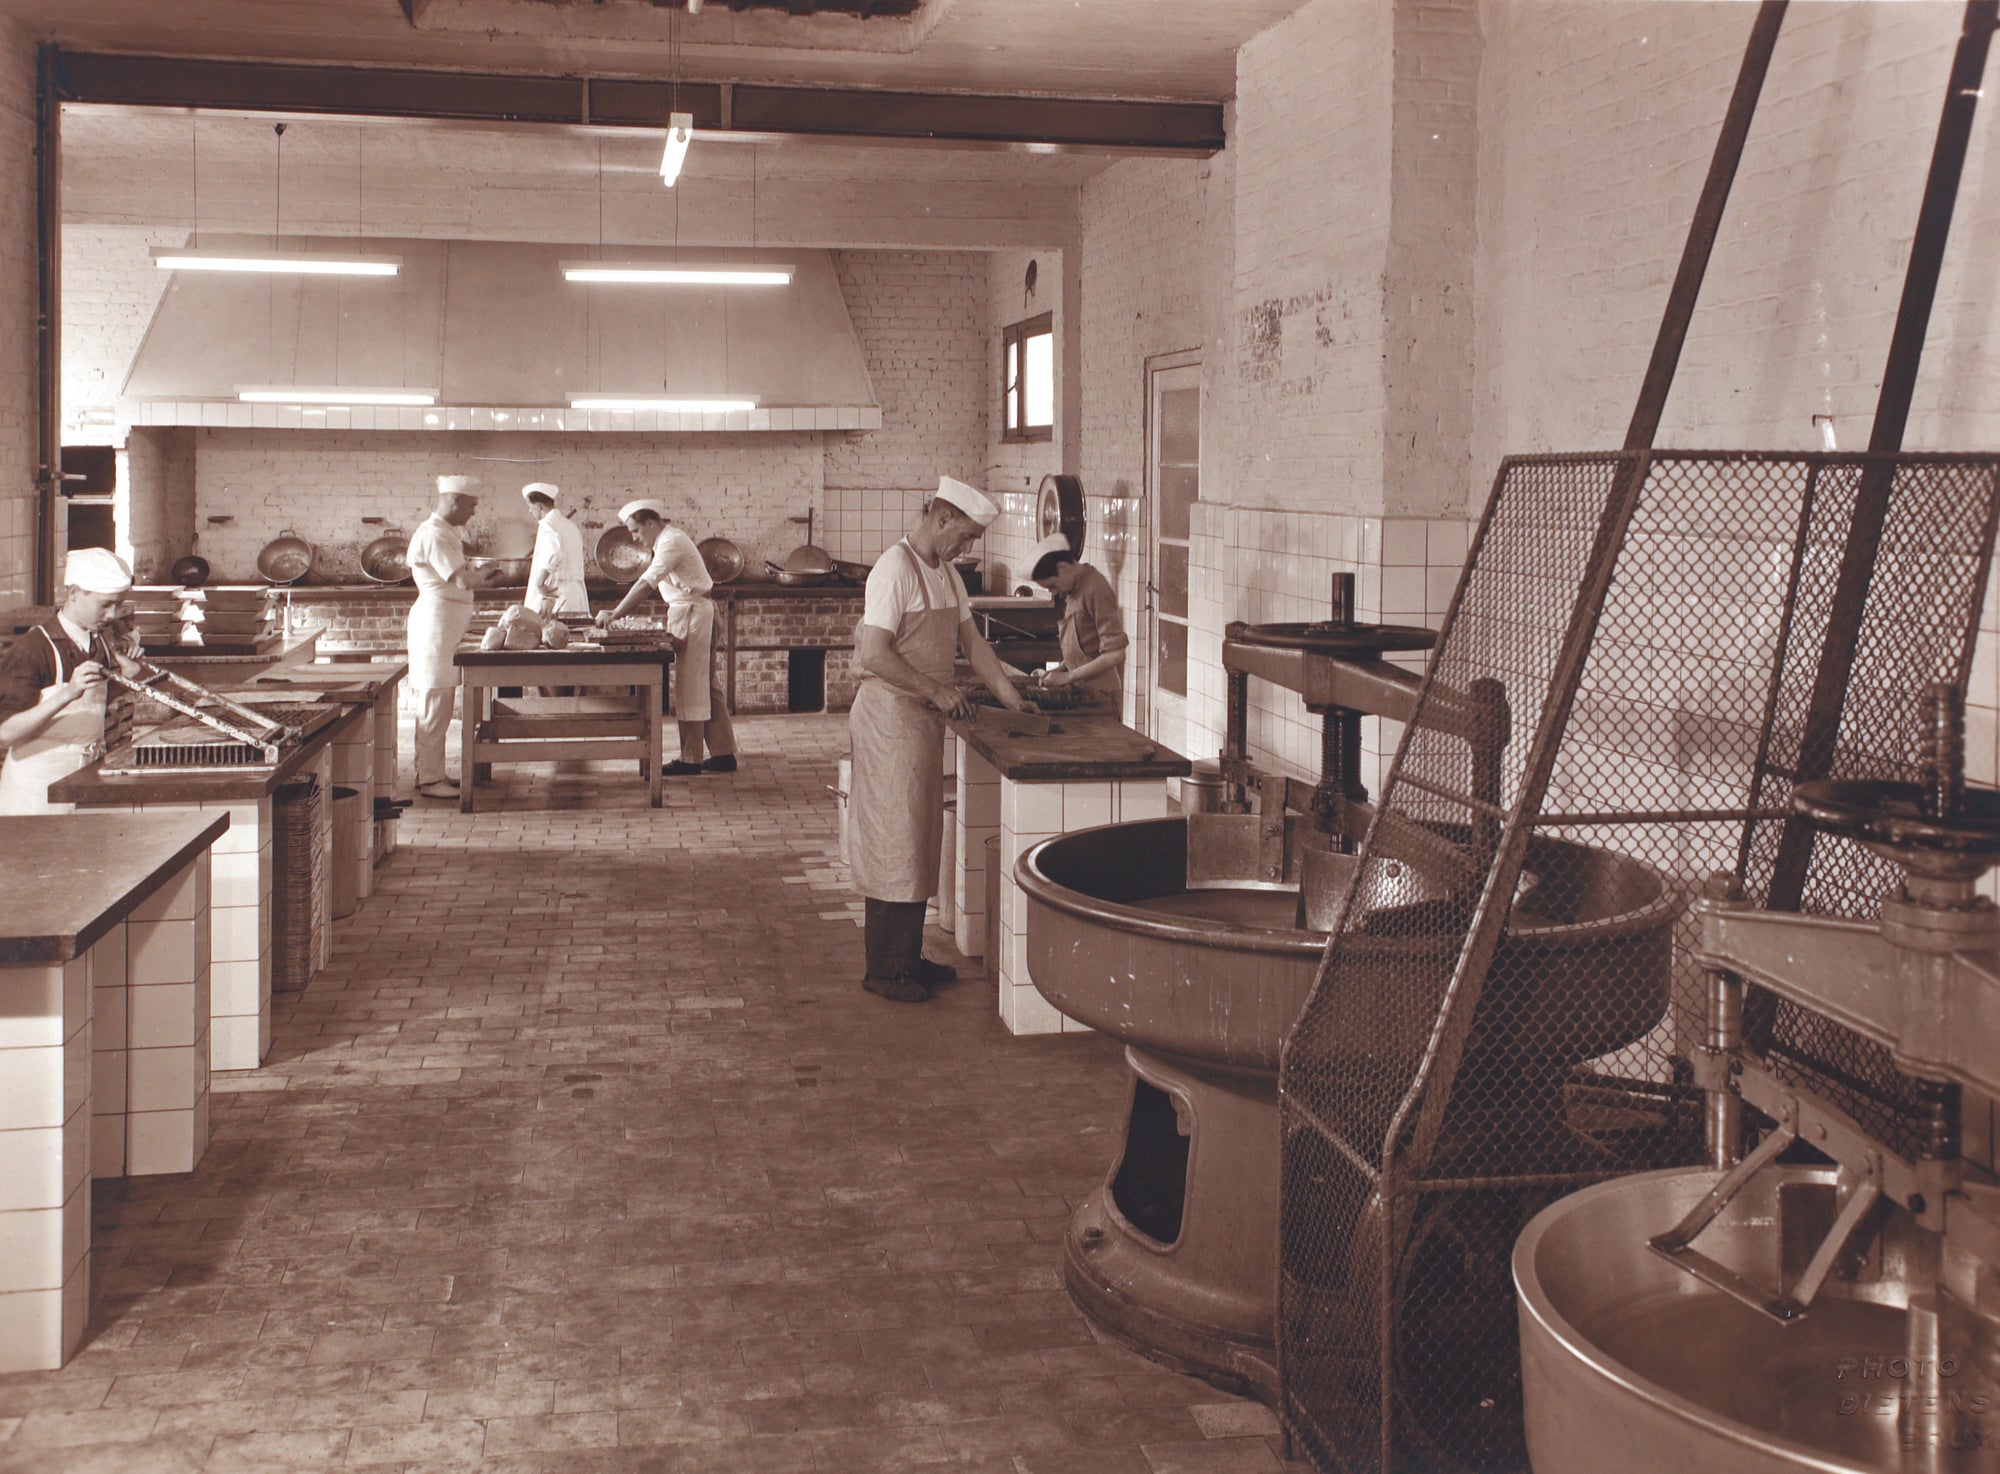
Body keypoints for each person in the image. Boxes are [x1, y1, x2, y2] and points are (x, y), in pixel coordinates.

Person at [849, 476, 1024, 1003]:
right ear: (941, 518)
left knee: (919, 839)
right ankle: (883, 968)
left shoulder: (946, 573)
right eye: (964, 537)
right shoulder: (894, 569)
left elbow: (973, 644)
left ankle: (908, 956)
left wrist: (1015, 700)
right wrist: (934, 690)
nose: (965, 548)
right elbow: (874, 653)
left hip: (920, 721)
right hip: (888, 720)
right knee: (892, 843)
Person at [596, 500, 738, 776]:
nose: (635, 538)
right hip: (694, 611)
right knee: (706, 685)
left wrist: (614, 613)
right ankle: (723, 754)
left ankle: (691, 759)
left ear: (650, 523)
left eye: (636, 531)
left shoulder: (671, 541)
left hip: (693, 615)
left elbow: (645, 584)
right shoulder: (667, 540)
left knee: (691, 688)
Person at [0, 547, 140, 814]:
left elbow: (91, 709)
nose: (112, 615)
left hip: (83, 780)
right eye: (105, 604)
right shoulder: (33, 649)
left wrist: (125, 680)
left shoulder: (99, 641)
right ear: (74, 594)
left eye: (117, 605)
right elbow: (5, 733)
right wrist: (67, 693)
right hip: (35, 795)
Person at [406, 475, 481, 800]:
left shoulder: (444, 532)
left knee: (437, 703)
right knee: (434, 703)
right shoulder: (435, 534)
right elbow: (462, 581)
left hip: (442, 626)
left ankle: (430, 771)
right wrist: (490, 577)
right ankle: (430, 779)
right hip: (434, 628)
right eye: (471, 505)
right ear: (454, 501)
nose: (473, 512)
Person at [1025, 532, 1128, 710]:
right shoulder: (1074, 589)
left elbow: (1116, 654)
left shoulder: (1096, 588)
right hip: (1081, 690)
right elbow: (1086, 649)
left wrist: (1068, 677)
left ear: (1064, 567)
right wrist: (1058, 671)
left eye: (1052, 585)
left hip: (1101, 695)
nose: (1054, 592)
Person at [521, 481, 589, 617]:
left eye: (530, 506)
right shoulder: (569, 525)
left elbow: (554, 554)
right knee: (575, 633)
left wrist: (540, 582)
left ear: (539, 506)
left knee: (551, 635)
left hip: (555, 593)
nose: (529, 511)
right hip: (575, 594)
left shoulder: (547, 524)